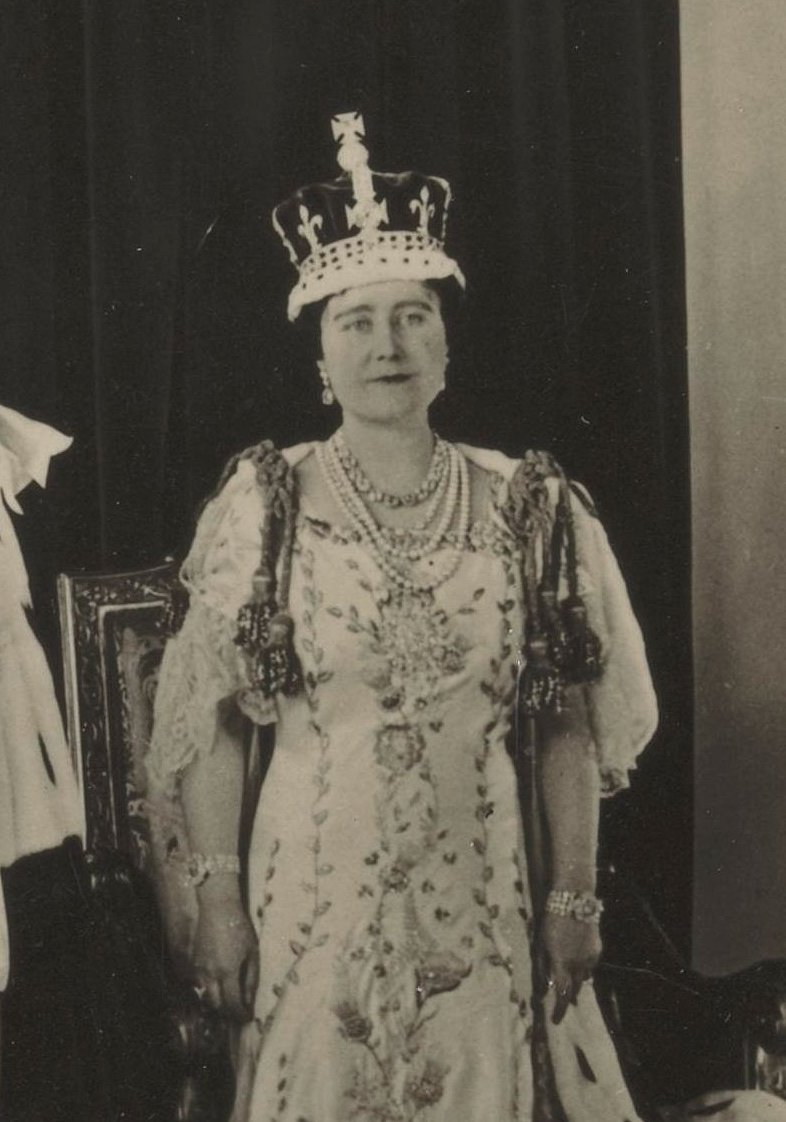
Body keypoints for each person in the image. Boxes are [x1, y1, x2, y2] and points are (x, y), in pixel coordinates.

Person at [148, 111, 658, 1122]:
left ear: (445, 340)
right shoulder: (264, 503)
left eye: (413, 315)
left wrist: (572, 899)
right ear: (321, 358)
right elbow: (206, 721)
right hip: (308, 907)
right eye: (357, 322)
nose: (388, 345)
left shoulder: (530, 505)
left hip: (479, 904)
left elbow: (563, 719)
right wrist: (214, 900)